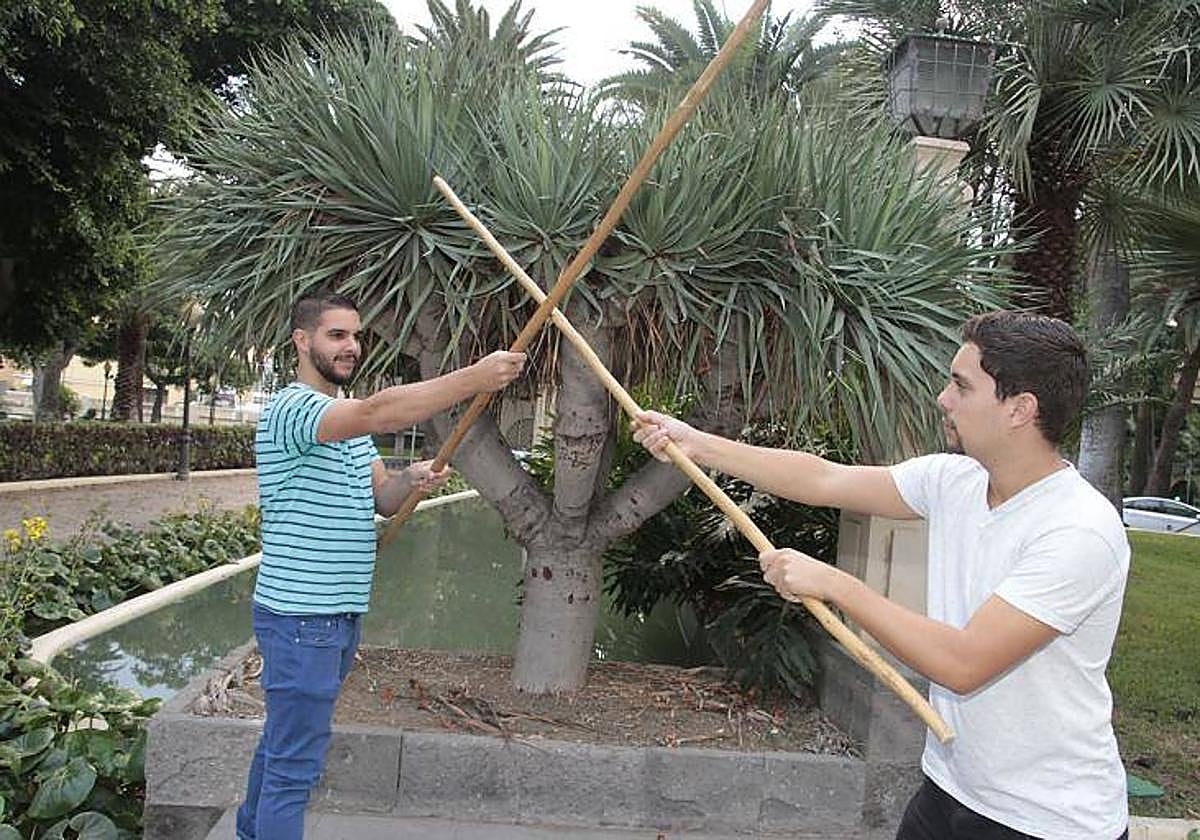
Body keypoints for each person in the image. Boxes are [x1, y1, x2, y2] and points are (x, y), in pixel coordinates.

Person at [633, 311, 1129, 840]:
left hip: (1047, 821)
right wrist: (696, 444)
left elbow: (963, 662)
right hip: (950, 789)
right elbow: (824, 478)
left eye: (962, 385)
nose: (943, 398)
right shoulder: (954, 480)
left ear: (1020, 409)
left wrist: (837, 585)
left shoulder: (1079, 530)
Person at [236, 293, 526, 840]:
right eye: (336, 336)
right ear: (302, 341)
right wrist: (474, 378)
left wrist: (408, 480)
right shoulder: (295, 408)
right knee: (294, 765)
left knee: (283, 747)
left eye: (355, 335)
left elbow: (383, 500)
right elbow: (378, 409)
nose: (351, 346)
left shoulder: (346, 426)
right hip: (303, 616)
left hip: (336, 615)